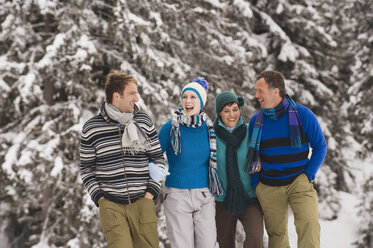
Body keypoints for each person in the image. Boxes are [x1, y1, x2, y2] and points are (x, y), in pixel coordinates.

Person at [79, 70, 167, 248]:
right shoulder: (92, 128)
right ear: (116, 96)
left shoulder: (143, 121)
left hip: (143, 202)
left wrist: (150, 193)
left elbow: (158, 159)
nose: (137, 99)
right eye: (132, 94)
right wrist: (100, 199)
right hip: (111, 206)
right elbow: (87, 169)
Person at [247, 70, 327, 248]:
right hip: (268, 185)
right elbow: (252, 156)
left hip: (299, 181)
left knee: (309, 224)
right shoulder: (256, 122)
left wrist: (308, 175)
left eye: (260, 91)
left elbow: (320, 146)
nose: (256, 95)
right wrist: (256, 185)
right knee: (277, 236)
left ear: (275, 91)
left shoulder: (302, 115)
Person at [157, 77, 223, 248]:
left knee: (209, 245)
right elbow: (152, 154)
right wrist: (153, 168)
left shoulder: (210, 130)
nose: (188, 101)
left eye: (193, 97)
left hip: (204, 195)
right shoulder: (171, 128)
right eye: (185, 97)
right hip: (177, 196)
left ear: (201, 101)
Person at [214, 91, 264, 248]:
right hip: (223, 199)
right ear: (219, 113)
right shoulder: (211, 135)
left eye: (235, 109)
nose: (232, 115)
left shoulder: (251, 132)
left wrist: (260, 158)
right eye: (226, 111)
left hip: (250, 197)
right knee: (225, 243)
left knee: (255, 239)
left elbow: (267, 150)